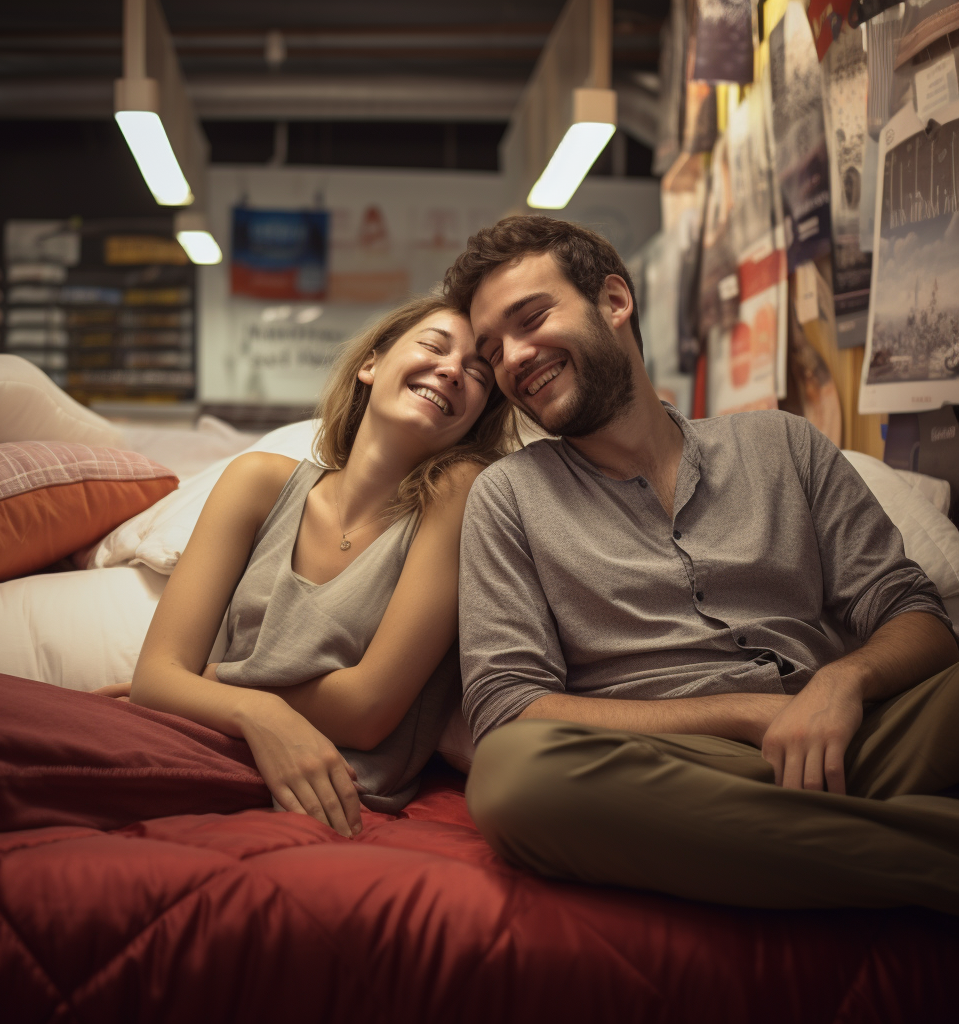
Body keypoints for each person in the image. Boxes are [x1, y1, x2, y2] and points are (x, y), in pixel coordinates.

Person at [441, 215, 959, 913]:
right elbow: (509, 709)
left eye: (530, 319)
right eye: (494, 349)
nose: (513, 358)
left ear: (614, 302)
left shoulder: (782, 443)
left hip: (857, 732)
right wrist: (748, 714)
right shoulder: (507, 497)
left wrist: (844, 682)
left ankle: (798, 846)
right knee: (513, 780)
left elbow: (916, 617)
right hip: (673, 769)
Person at [126, 295, 514, 838]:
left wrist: (211, 685)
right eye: (433, 345)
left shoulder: (461, 491)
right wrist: (258, 714)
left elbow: (367, 711)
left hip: (335, 795)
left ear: (478, 415)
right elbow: (154, 681)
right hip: (204, 749)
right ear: (371, 364)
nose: (452, 371)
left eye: (478, 373)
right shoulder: (257, 482)